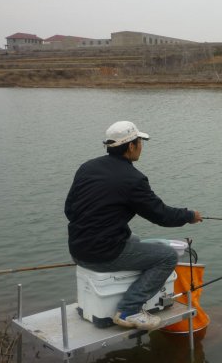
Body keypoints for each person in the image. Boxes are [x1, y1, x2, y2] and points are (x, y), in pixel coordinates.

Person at [65, 121, 203, 331]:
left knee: (134, 239)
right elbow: (161, 215)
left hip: (76, 249)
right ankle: (129, 310)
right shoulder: (133, 179)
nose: (141, 146)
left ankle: (127, 297)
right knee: (167, 257)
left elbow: (70, 210)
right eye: (140, 142)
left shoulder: (87, 167)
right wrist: (189, 215)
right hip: (101, 254)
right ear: (131, 146)